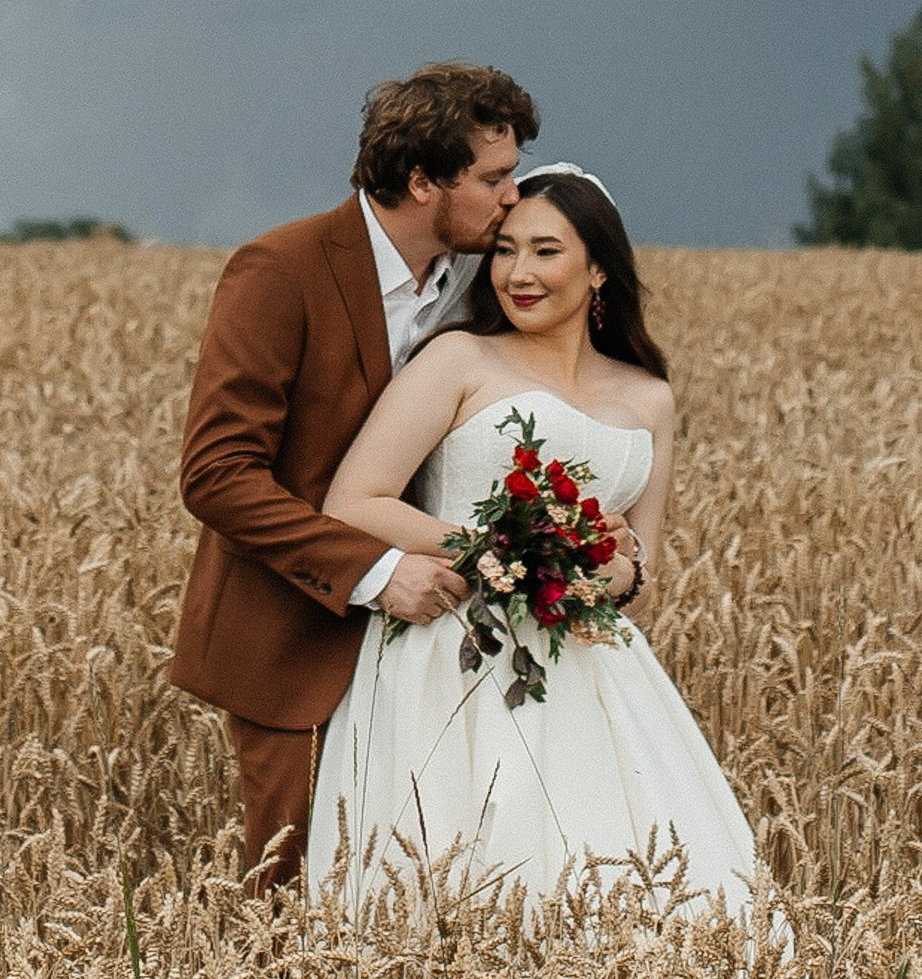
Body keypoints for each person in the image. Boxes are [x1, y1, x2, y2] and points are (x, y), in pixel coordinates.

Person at [303, 166, 758, 917]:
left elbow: (639, 573)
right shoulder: (457, 360)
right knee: (452, 874)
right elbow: (355, 503)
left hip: (588, 669)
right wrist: (502, 547)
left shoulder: (648, 397)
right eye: (505, 250)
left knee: (628, 879)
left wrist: (601, 566)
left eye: (545, 251)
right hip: (447, 656)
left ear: (599, 265)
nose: (518, 273)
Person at [170, 62, 540, 887]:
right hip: (294, 636)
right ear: (420, 181)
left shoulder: (486, 286)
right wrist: (377, 574)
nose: (512, 195)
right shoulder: (281, 270)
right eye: (493, 177)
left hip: (453, 644)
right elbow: (218, 475)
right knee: (294, 893)